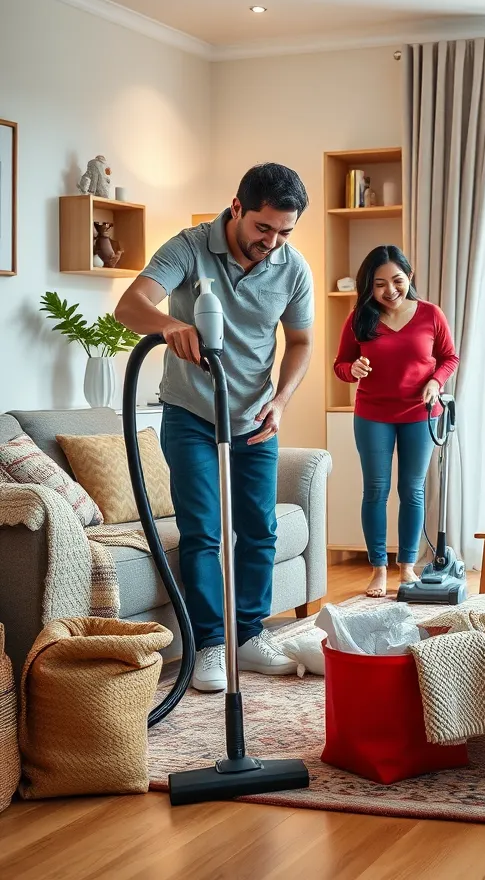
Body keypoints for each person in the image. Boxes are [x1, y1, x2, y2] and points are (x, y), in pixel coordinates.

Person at [114, 162, 314, 692]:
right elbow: (129, 304)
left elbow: (300, 343)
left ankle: (247, 635)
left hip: (254, 416)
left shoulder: (293, 269)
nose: (271, 242)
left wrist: (283, 399)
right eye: (262, 228)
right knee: (203, 532)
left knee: (259, 530)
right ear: (237, 208)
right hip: (192, 414)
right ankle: (209, 644)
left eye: (284, 232)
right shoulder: (189, 247)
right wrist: (171, 325)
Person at [333, 245, 459, 598]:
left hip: (420, 413)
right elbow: (341, 364)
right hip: (373, 415)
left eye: (397, 280)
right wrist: (352, 369)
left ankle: (406, 567)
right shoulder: (360, 317)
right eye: (379, 284)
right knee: (376, 490)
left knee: (412, 490)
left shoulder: (431, 314)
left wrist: (436, 382)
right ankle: (378, 570)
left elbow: (449, 357)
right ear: (368, 287)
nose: (390, 290)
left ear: (409, 276)